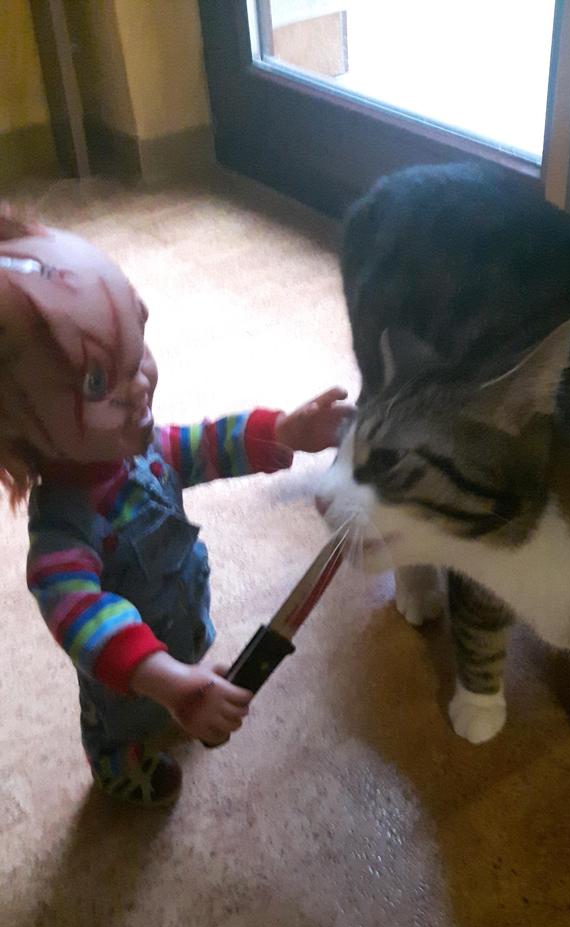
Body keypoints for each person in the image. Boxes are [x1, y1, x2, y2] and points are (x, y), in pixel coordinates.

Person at [0, 214, 350, 807]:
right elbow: (81, 617)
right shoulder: (64, 531)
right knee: (123, 721)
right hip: (130, 675)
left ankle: (181, 691)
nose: (139, 386)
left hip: (177, 624)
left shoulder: (144, 449)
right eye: (97, 383)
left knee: (181, 681)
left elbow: (207, 445)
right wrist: (165, 682)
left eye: (137, 348)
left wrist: (284, 432)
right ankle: (114, 764)